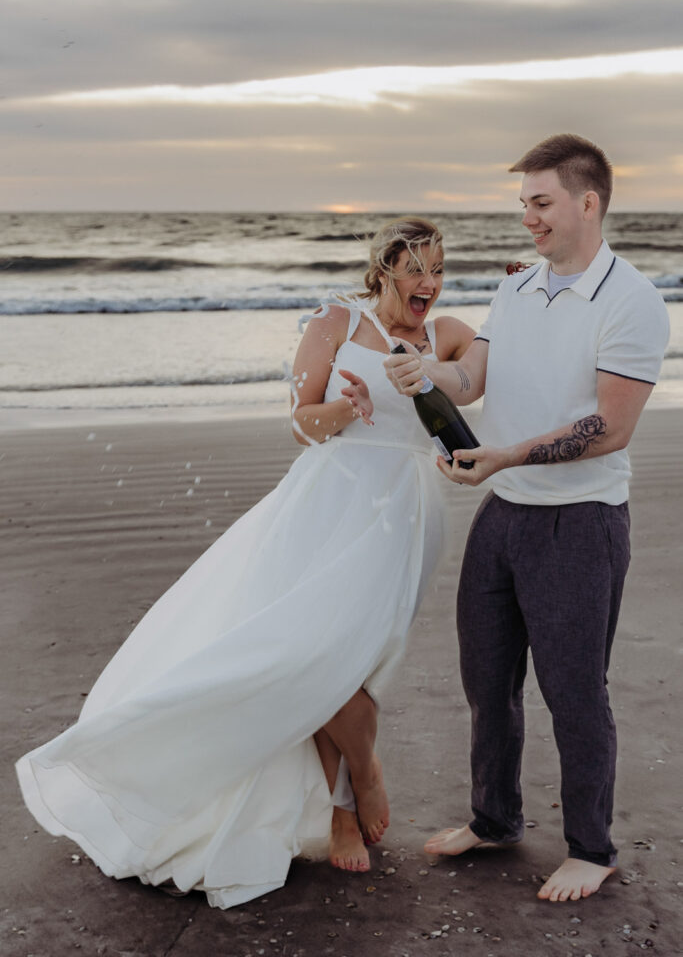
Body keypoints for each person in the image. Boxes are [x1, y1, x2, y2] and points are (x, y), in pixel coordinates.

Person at [16, 216, 474, 909]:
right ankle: (357, 785)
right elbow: (298, 422)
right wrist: (344, 413)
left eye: (437, 269)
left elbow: (471, 384)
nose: (429, 285)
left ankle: (342, 802)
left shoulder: (448, 335)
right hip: (327, 504)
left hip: (408, 512)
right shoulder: (333, 320)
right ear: (382, 272)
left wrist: (441, 368)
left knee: (363, 658)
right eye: (415, 271)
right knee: (315, 651)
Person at [385, 135, 670, 903]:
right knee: (487, 681)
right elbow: (473, 374)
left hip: (579, 525)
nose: (527, 220)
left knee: (575, 691)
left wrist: (504, 457)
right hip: (502, 518)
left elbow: (609, 428)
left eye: (540, 203)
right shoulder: (517, 287)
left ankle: (590, 848)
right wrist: (426, 374)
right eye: (522, 205)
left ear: (587, 202)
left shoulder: (633, 301)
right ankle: (494, 819)